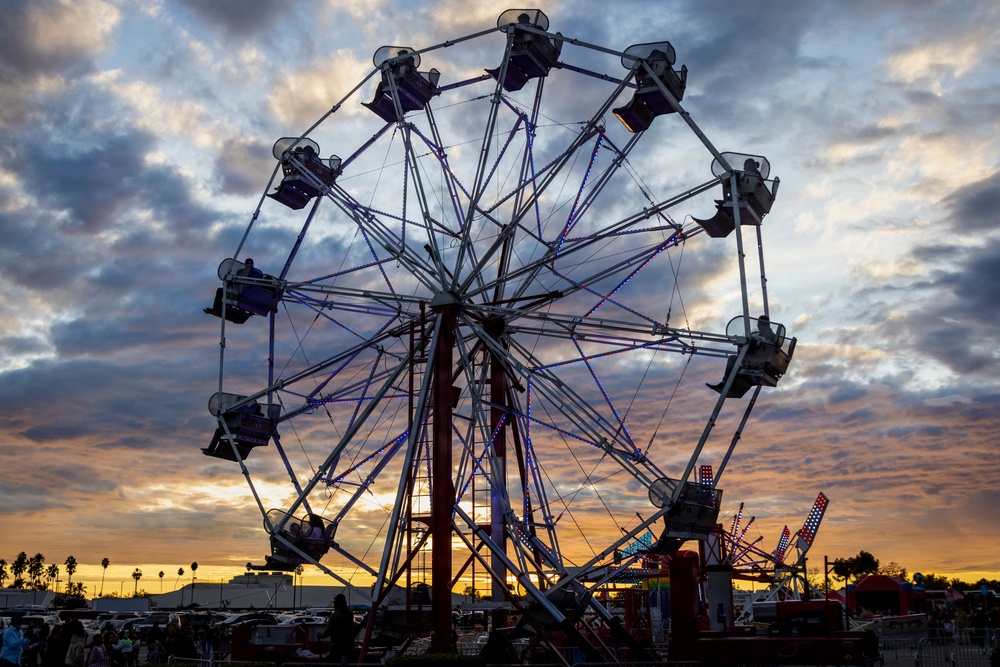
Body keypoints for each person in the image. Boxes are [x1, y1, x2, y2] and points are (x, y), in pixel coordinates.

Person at [319, 594, 355, 667]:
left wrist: (320, 635)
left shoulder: (335, 616)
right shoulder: (349, 614)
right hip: (348, 646)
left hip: (337, 647)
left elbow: (328, 631)